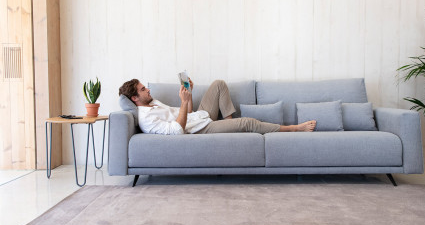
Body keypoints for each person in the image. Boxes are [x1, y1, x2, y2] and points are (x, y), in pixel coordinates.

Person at [118, 78, 316, 135]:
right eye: (143, 89)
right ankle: (294, 128)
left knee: (219, 84)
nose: (148, 90)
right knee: (248, 123)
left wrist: (189, 95)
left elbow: (187, 113)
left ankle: (229, 126)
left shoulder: (153, 103)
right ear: (135, 98)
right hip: (199, 128)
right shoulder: (146, 119)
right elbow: (177, 131)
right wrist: (184, 102)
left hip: (197, 117)